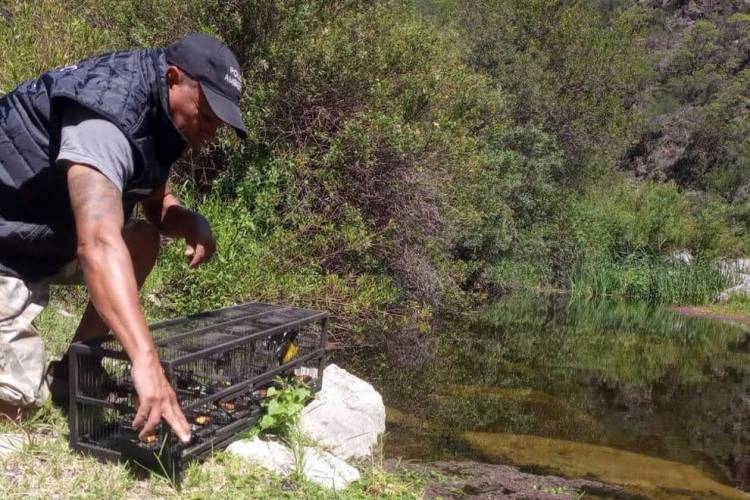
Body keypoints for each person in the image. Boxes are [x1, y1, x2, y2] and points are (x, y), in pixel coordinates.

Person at [0, 33, 247, 444]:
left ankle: (74, 372)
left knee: (143, 238)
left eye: (220, 122)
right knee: (15, 407)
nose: (212, 129)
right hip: (6, 244)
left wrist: (185, 219)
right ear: (173, 78)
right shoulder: (109, 116)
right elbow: (97, 243)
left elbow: (153, 201)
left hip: (41, 238)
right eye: (207, 114)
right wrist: (145, 360)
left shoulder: (165, 114)